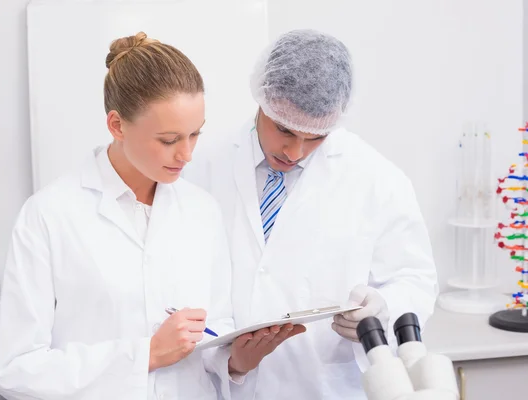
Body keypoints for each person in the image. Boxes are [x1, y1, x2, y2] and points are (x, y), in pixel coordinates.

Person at [0, 32, 301, 400]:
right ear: (117, 125)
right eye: (169, 140)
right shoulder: (49, 215)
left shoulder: (202, 211)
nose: (186, 155)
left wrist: (236, 361)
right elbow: (13, 370)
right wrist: (145, 355)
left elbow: (212, 332)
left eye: (195, 134)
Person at [183, 29, 439, 399]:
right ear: (262, 100)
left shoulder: (377, 179)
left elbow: (413, 278)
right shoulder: (201, 166)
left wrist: (382, 312)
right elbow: (176, 288)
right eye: (284, 129)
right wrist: (229, 359)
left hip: (327, 387)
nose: (295, 151)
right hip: (222, 386)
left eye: (316, 136)